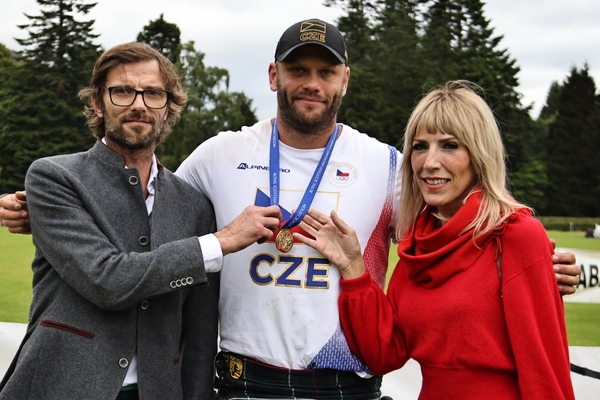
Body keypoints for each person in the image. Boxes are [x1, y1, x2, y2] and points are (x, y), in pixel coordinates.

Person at [0, 20, 580, 399]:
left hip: (344, 382)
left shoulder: (384, 163)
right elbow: (152, 206)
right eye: (298, 70)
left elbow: (452, 226)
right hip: (242, 377)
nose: (312, 83)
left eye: (325, 72)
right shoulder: (219, 155)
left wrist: (537, 256)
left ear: (344, 81)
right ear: (274, 75)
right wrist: (44, 213)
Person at [0, 42, 281, 400]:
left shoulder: (193, 204)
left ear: (168, 107)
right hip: (61, 386)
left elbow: (198, 336)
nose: (139, 104)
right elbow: (108, 280)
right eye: (123, 91)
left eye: (152, 94)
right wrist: (220, 241)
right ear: (98, 103)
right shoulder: (54, 177)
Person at [295, 81, 576, 399]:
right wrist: (354, 268)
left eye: (450, 145)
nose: (429, 162)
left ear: (478, 154)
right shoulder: (418, 246)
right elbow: (385, 355)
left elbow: (544, 369)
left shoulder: (515, 236)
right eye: (420, 146)